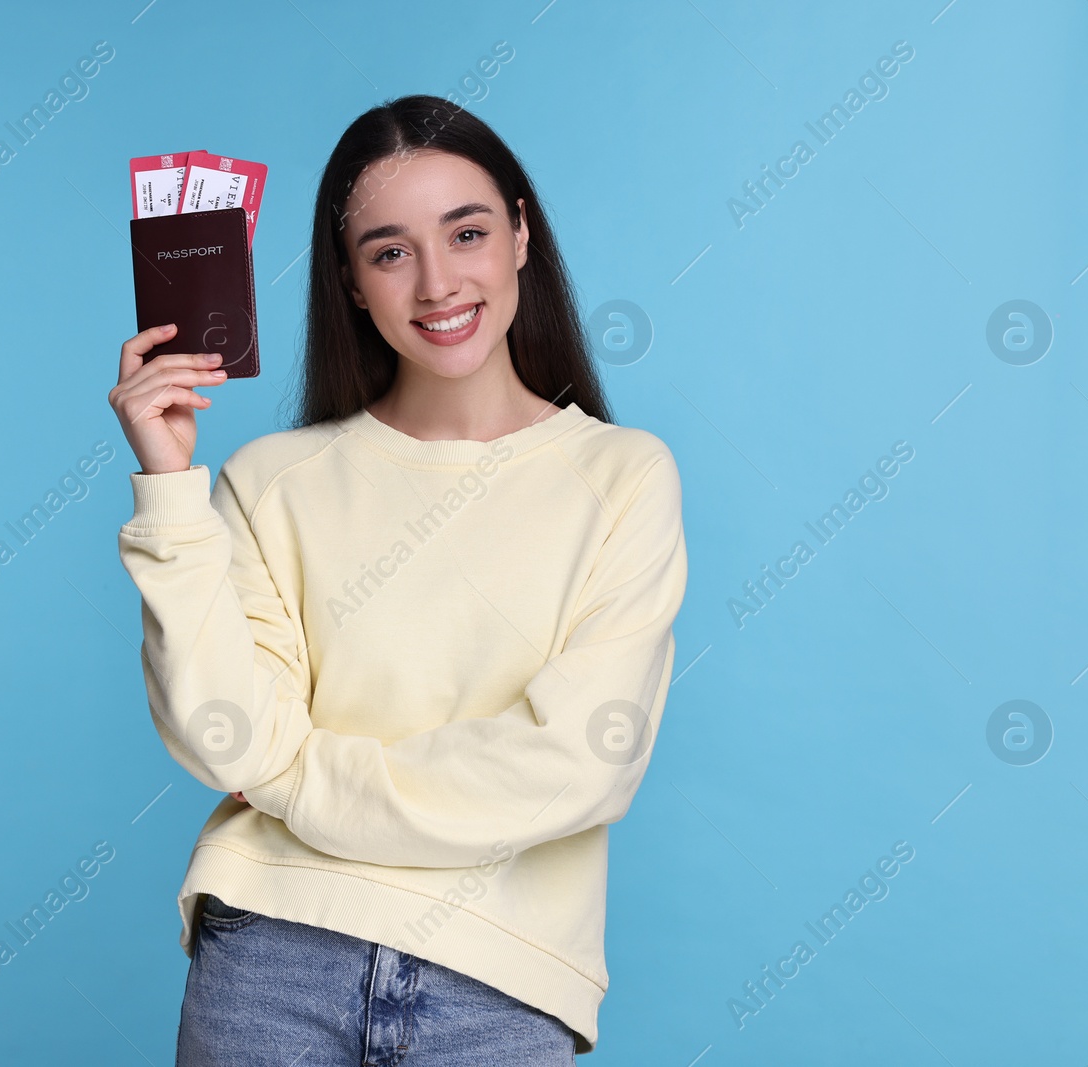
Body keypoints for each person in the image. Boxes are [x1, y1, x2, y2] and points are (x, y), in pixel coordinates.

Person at [109, 93, 687, 1063]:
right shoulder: (270, 480)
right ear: (350, 279)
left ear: (518, 234)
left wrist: (294, 776)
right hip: (270, 952)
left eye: (464, 232)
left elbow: (582, 761)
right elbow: (224, 737)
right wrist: (170, 489)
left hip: (502, 972)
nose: (435, 281)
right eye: (388, 251)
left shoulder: (622, 476)